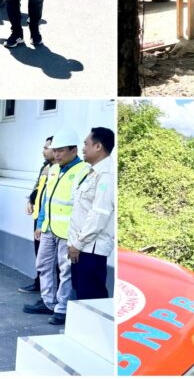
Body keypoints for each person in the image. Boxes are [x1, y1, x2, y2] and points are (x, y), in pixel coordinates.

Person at [23, 129, 91, 325]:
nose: (57, 154)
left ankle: (62, 308)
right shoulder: (53, 169)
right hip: (49, 228)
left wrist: (77, 237)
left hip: (68, 232)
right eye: (55, 150)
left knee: (65, 270)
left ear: (73, 150)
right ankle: (48, 302)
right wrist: (40, 223)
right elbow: (46, 199)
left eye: (61, 150)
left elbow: (83, 207)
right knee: (43, 265)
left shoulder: (83, 171)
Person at [68, 128, 116, 300]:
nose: (83, 148)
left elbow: (99, 214)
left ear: (98, 146)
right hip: (81, 246)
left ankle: (94, 327)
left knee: (92, 297)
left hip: (90, 249)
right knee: (81, 292)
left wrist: (78, 244)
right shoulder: (91, 172)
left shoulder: (107, 175)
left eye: (86, 144)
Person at [21, 135, 55, 293]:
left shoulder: (59, 169)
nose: (43, 150)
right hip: (39, 217)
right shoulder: (45, 167)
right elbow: (37, 187)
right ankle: (39, 283)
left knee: (48, 258)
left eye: (46, 147)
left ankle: (47, 291)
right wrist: (30, 200)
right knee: (39, 254)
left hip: (51, 220)